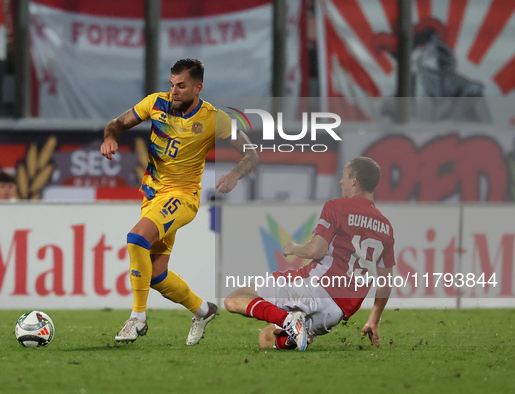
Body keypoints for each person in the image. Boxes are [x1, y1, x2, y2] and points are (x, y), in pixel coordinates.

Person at [101, 59, 258, 345]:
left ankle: (137, 318)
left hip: (183, 197)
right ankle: (203, 310)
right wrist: (110, 138)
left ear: (198, 88)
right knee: (156, 274)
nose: (174, 91)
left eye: (181, 86)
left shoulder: (214, 118)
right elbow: (116, 124)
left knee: (136, 239)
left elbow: (251, 153)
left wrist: (236, 174)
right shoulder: (155, 103)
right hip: (153, 196)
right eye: (172, 84)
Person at [224, 157, 395, 351]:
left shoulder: (337, 207)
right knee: (267, 338)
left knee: (234, 299)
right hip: (336, 312)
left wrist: (294, 247)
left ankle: (289, 321)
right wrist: (374, 320)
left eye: (344, 177)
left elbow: (316, 250)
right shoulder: (386, 227)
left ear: (354, 180)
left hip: (315, 288)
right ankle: (293, 330)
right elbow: (385, 285)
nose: (341, 181)